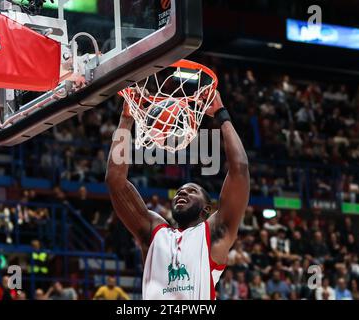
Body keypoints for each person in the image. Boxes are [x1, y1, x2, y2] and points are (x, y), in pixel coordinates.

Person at [105, 91, 250, 300]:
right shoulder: (155, 232)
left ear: (207, 209)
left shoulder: (213, 235)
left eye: (192, 191)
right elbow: (115, 181)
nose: (183, 192)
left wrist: (221, 114)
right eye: (180, 191)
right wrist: (126, 119)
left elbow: (240, 169)